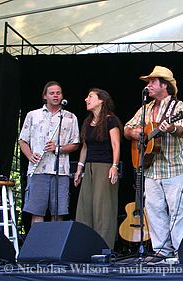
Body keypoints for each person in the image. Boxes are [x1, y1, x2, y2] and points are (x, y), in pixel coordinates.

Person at [124, 66, 183, 261]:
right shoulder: (145, 108)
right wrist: (136, 133)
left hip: (173, 167)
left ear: (164, 85)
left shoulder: (179, 107)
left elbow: (181, 129)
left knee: (177, 210)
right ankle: (162, 250)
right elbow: (127, 128)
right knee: (154, 210)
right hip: (151, 167)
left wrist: (170, 127)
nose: (149, 85)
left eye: (152, 82)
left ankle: (181, 251)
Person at [19, 81, 80, 225]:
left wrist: (58, 148)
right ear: (45, 96)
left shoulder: (70, 117)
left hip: (61, 171)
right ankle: (37, 245)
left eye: (58, 93)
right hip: (38, 170)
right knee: (37, 212)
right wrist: (30, 155)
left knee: (58, 213)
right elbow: (22, 140)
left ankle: (55, 246)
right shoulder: (33, 115)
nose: (55, 96)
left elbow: (76, 144)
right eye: (52, 93)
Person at [74, 88, 122, 248]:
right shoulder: (88, 122)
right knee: (85, 206)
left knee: (103, 208)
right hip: (89, 167)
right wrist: (79, 169)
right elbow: (85, 147)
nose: (86, 99)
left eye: (90, 97)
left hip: (105, 166)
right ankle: (85, 245)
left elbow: (116, 144)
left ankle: (103, 247)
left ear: (102, 100)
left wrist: (115, 166)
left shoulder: (111, 120)